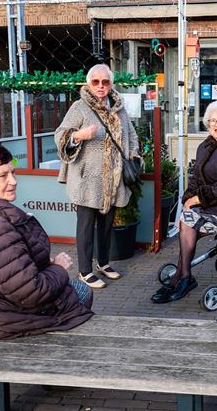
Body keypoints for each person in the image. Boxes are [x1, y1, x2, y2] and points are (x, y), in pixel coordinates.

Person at [0, 141, 93, 339]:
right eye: (3, 176)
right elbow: (31, 293)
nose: (13, 181)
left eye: (13, 173)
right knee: (82, 291)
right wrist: (59, 268)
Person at [151, 101, 217, 303]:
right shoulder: (206, 145)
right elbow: (196, 178)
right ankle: (183, 277)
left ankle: (182, 277)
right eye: (212, 121)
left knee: (187, 224)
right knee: (186, 223)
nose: (216, 124)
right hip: (213, 203)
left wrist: (197, 199)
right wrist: (187, 198)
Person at [55, 64, 140, 289]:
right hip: (87, 179)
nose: (101, 86)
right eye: (96, 82)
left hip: (113, 179)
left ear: (111, 84)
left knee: (106, 225)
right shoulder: (79, 108)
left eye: (105, 82)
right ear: (88, 83)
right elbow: (60, 135)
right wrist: (79, 135)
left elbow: (131, 134)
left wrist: (132, 154)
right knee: (85, 227)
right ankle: (84, 271)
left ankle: (103, 263)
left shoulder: (118, 108)